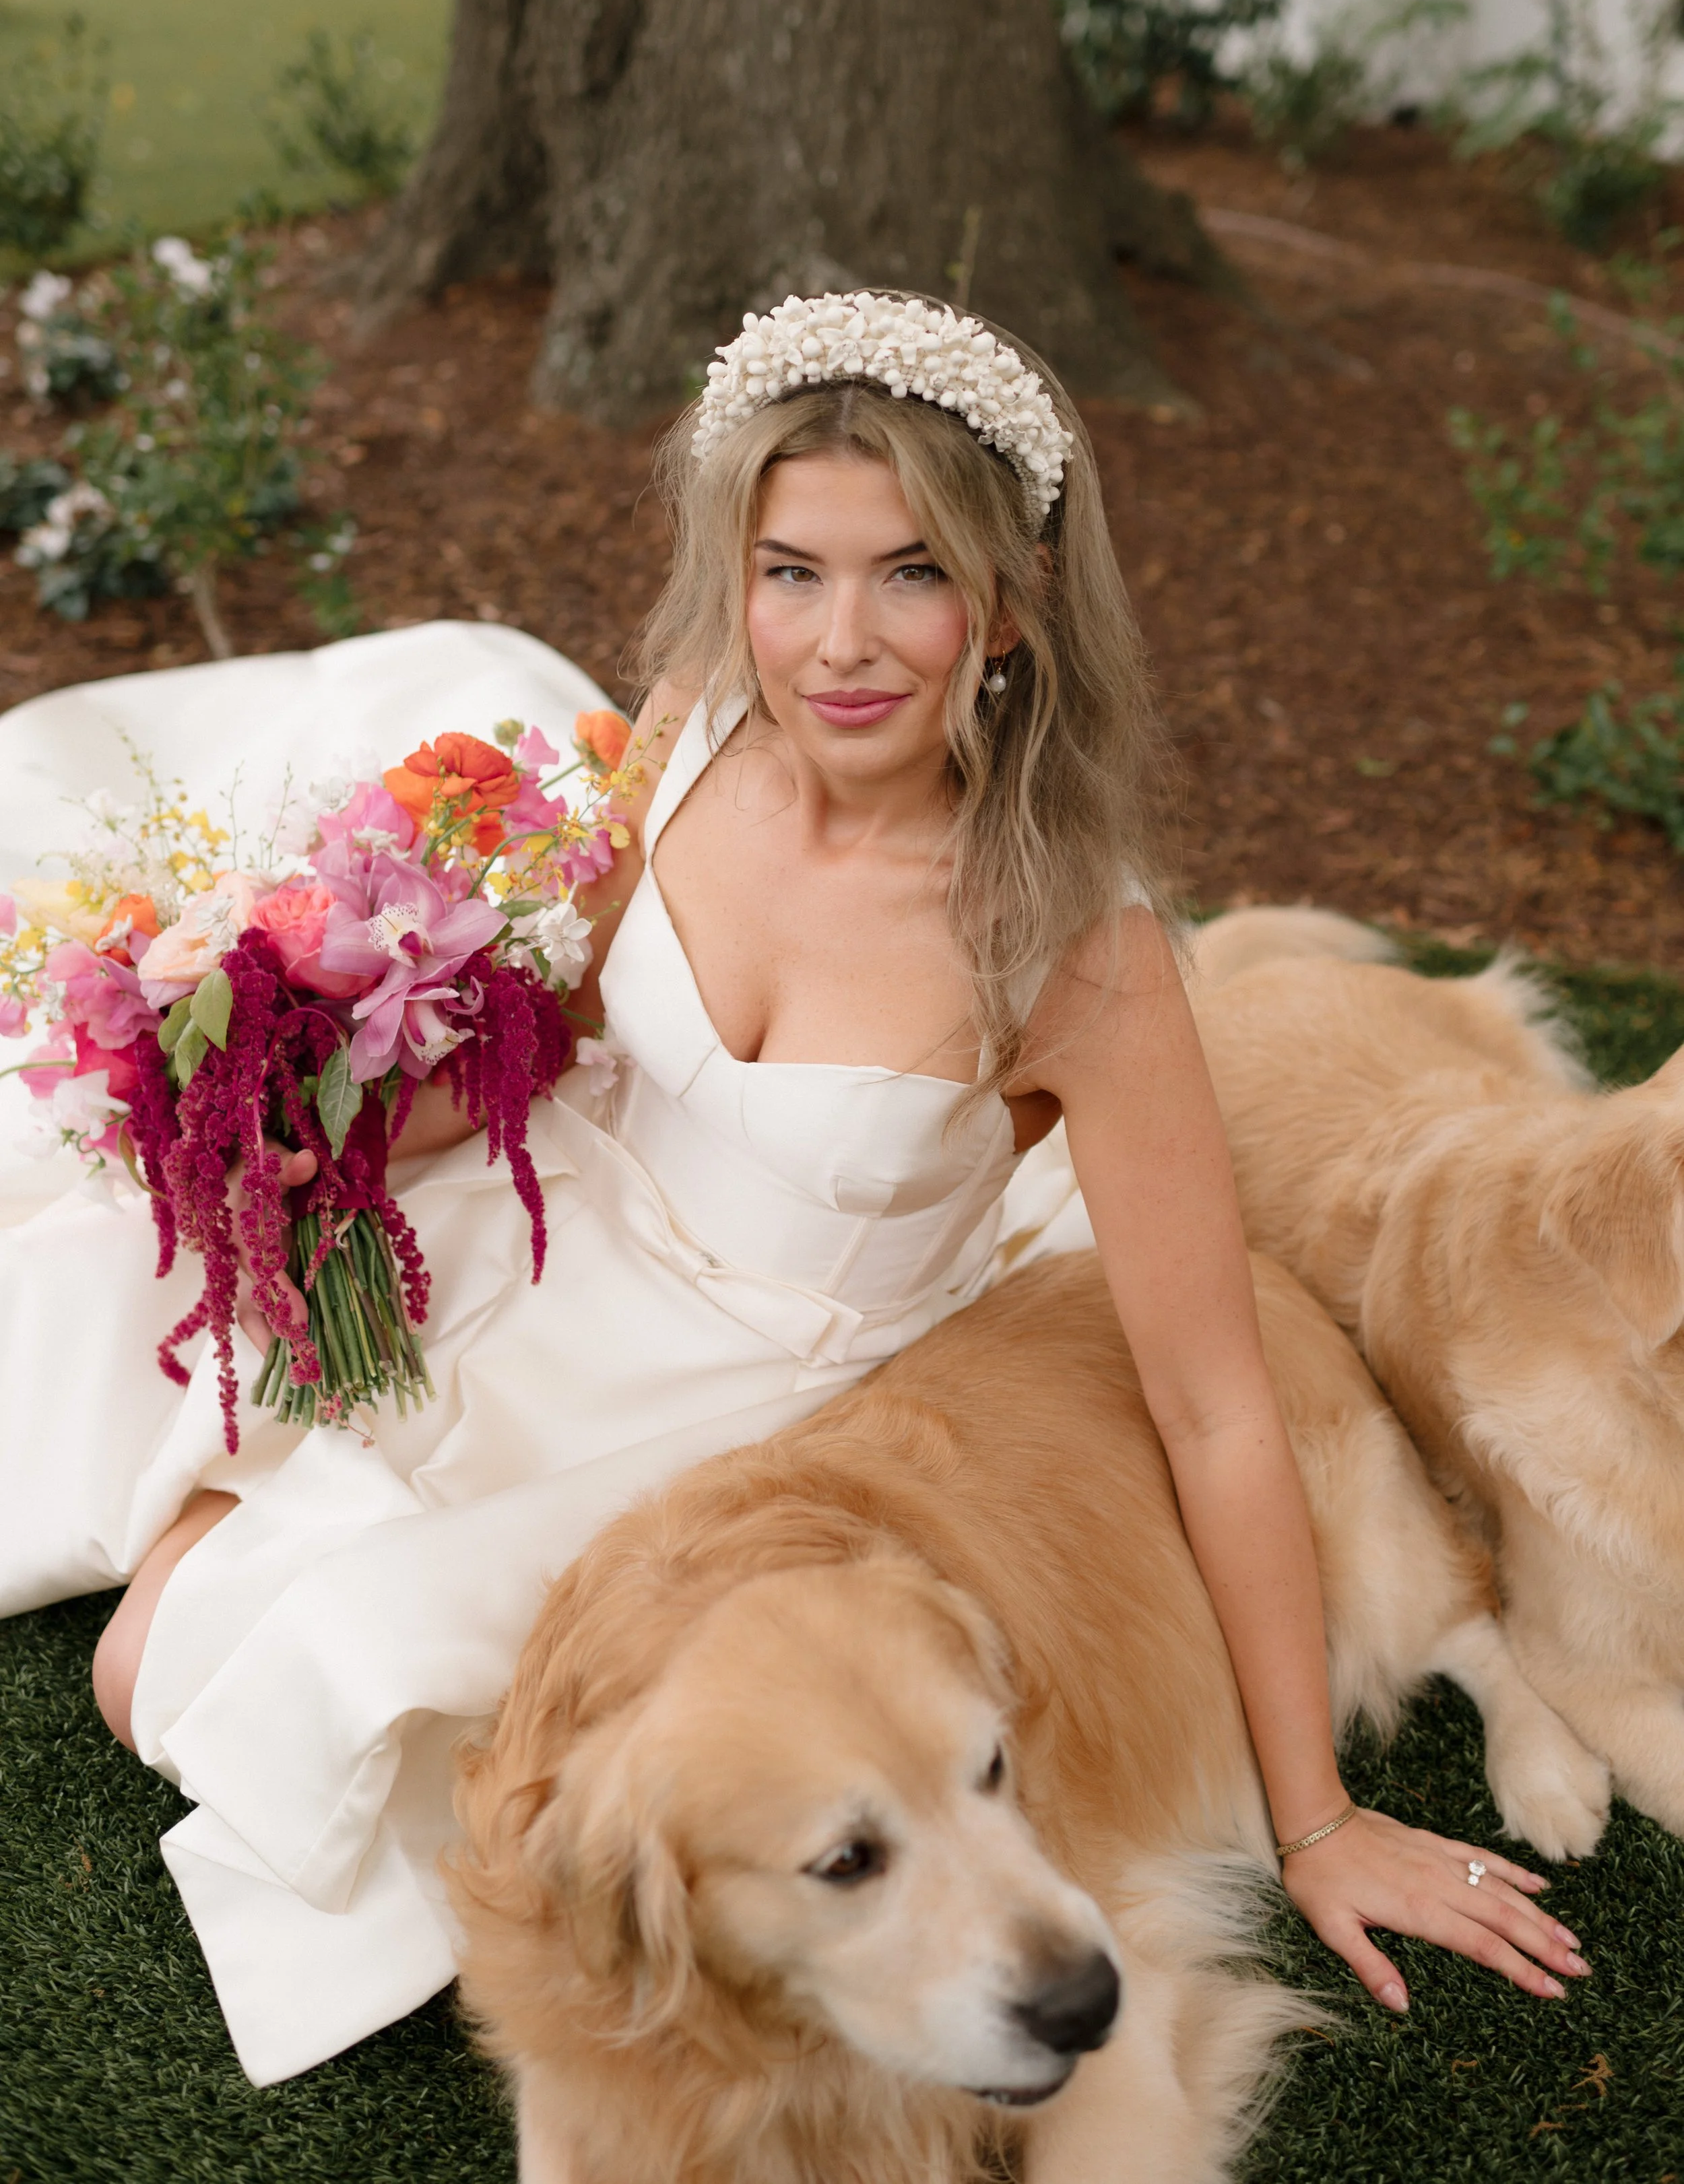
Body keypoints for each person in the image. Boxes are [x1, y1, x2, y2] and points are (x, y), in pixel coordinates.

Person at [0, 291, 1584, 2087]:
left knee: (273, 1690)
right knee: (150, 1620)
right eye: (792, 569)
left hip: (749, 1384)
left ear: (1011, 598)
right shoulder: (689, 731)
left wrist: (1315, 1819)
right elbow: (574, 1027)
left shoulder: (1079, 948)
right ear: (734, 571)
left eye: (910, 573)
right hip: (550, 1232)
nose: (841, 641)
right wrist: (350, 1127)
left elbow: (1214, 1401)